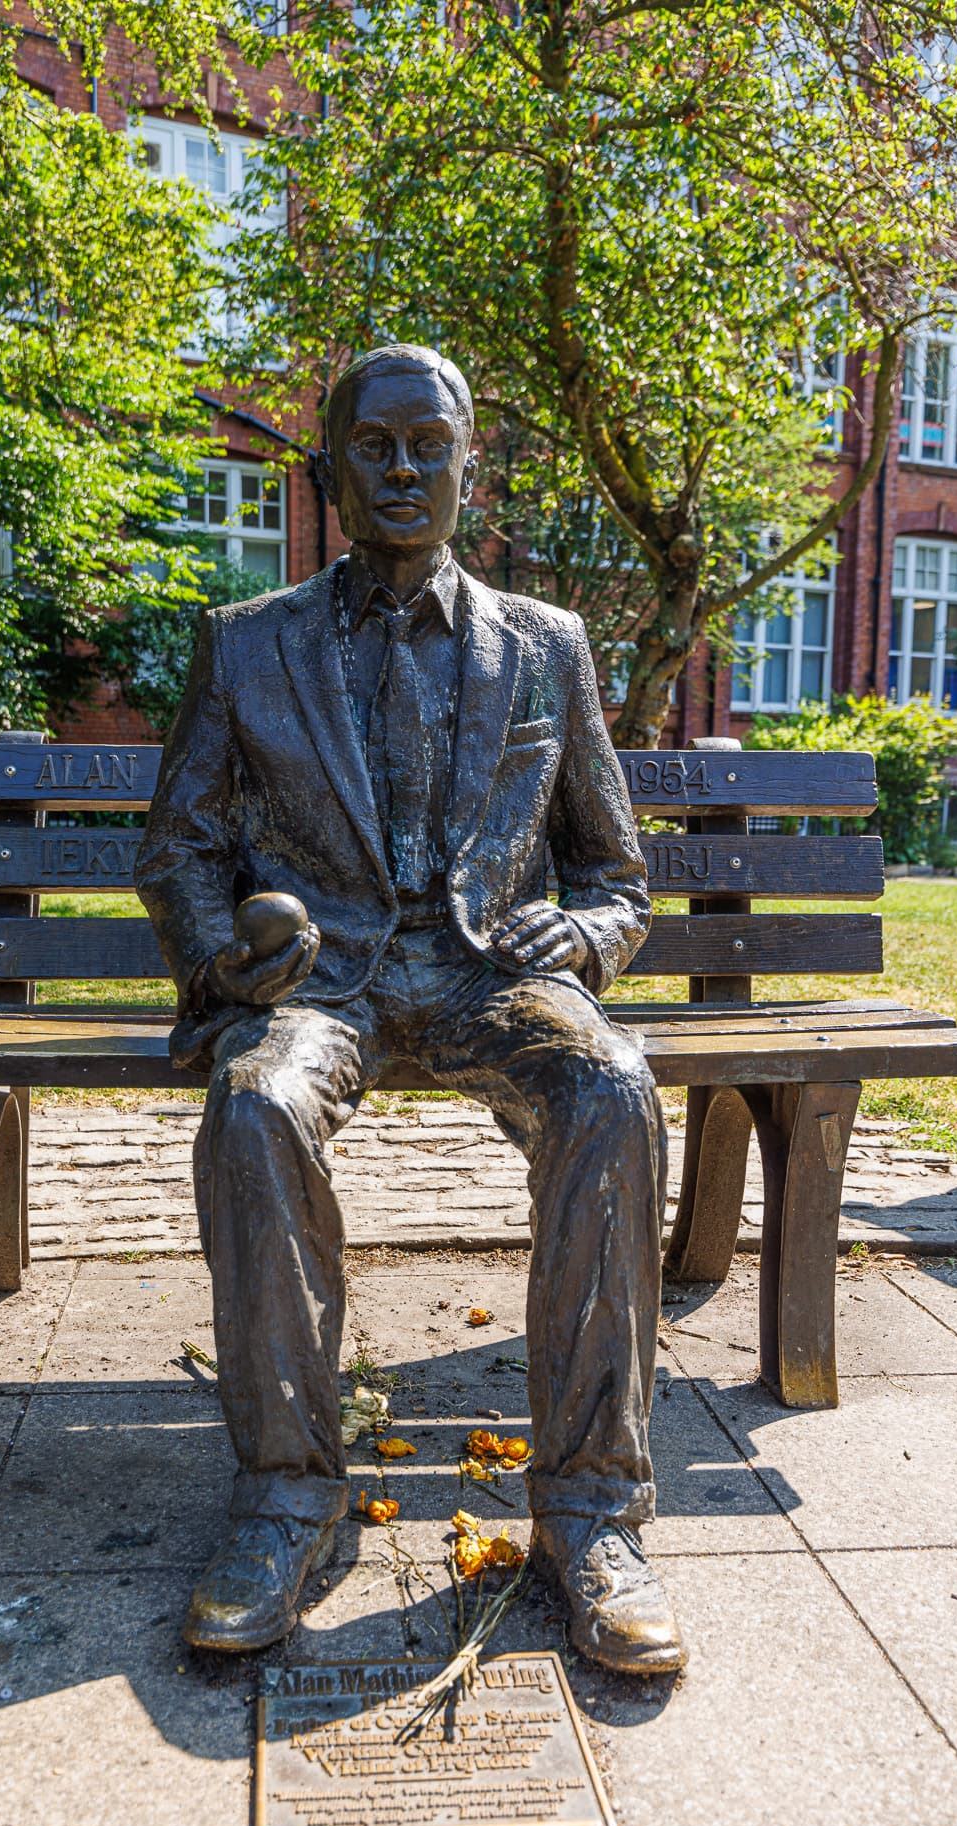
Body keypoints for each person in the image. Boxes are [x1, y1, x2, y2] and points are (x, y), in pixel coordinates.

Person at [136, 344, 683, 1674]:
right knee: (255, 1107)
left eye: (426, 445)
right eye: (372, 446)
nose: (400, 471)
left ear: (465, 463)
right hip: (323, 978)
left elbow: (613, 869)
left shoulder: (546, 647)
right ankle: (287, 1498)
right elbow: (180, 848)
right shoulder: (246, 643)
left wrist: (591, 930)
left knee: (611, 1092)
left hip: (492, 972)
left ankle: (590, 1514)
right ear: (328, 466)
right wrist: (225, 955)